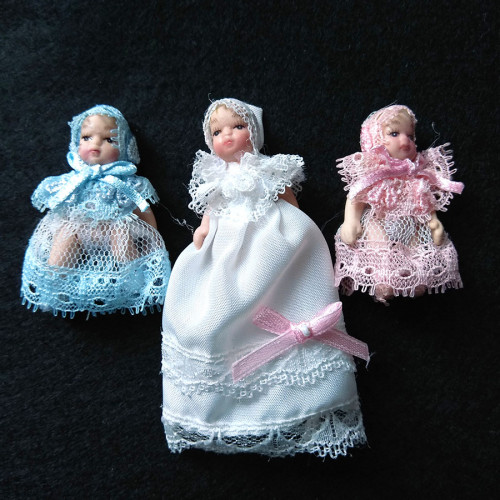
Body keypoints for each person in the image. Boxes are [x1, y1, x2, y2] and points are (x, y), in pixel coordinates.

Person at [161, 98, 369, 458]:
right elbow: (211, 211)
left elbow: (290, 205)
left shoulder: (268, 169)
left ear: (253, 133)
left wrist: (299, 229)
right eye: (217, 131)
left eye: (237, 127)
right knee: (209, 320)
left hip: (273, 245)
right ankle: (214, 411)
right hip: (222, 254)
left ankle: (305, 402)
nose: (227, 135)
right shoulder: (214, 178)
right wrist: (203, 231)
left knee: (288, 292)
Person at [21, 105, 171, 317]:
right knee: (62, 244)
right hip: (77, 229)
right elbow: (58, 207)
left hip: (114, 229)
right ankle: (52, 286)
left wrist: (150, 233)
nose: (95, 144)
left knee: (123, 246)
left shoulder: (127, 183)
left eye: (109, 139)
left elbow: (142, 207)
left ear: (125, 147)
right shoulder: (72, 181)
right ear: (76, 143)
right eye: (86, 137)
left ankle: (134, 286)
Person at [334, 104, 463, 302]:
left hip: (413, 223)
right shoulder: (373, 172)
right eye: (394, 133)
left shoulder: (418, 176)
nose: (405, 141)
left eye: (410, 136)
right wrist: (351, 221)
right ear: (374, 138)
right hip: (379, 220)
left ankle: (416, 280)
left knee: (417, 248)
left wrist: (434, 222)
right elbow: (355, 196)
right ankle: (383, 281)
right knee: (379, 244)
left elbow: (425, 202)